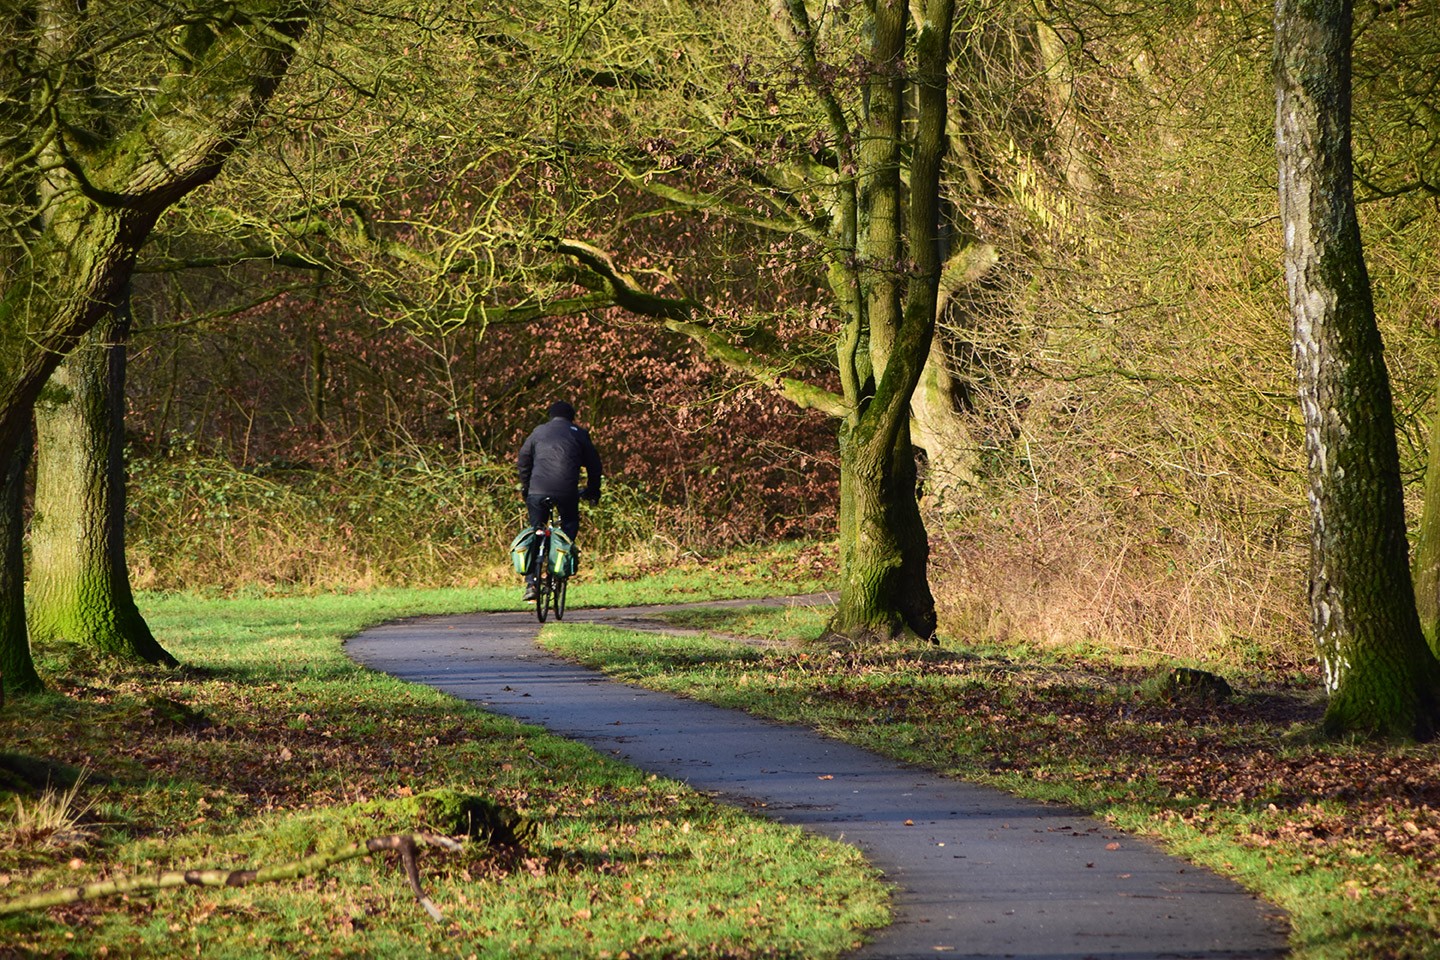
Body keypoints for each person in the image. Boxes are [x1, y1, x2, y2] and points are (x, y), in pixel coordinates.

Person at [516, 400, 602, 601]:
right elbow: (594, 466)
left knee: (536, 530)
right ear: (572, 417)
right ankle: (557, 569)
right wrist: (592, 491)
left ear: (550, 416)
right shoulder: (579, 433)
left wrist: (526, 487)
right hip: (567, 492)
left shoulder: (538, 432)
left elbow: (523, 460)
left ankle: (531, 583)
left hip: (537, 491)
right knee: (569, 524)